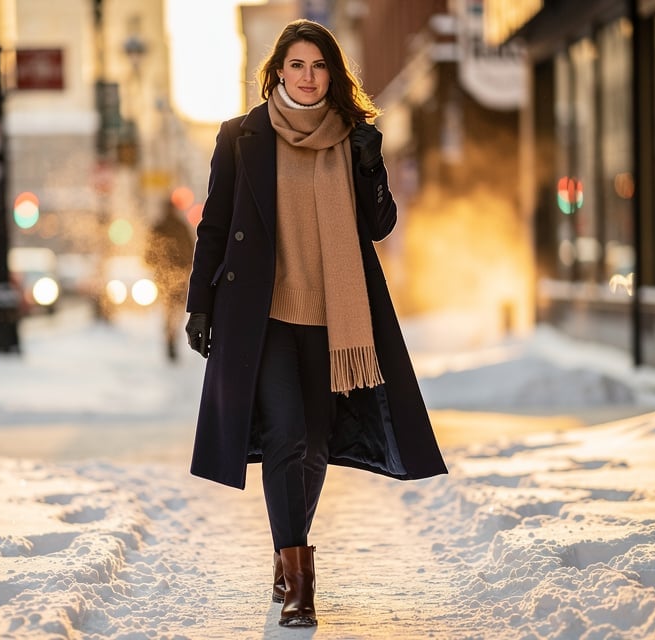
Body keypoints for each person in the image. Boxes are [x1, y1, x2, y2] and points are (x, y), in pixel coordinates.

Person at [183, 19, 447, 628]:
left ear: (333, 73)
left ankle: (285, 546)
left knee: (319, 442)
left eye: (318, 66)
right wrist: (200, 303)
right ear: (277, 72)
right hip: (265, 312)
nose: (307, 77)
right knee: (287, 434)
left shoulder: (354, 139)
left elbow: (379, 227)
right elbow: (215, 225)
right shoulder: (241, 137)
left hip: (336, 315)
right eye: (296, 65)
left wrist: (371, 167)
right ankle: (300, 584)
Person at [145, 201, 195, 360]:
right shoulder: (180, 227)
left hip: (164, 277)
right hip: (178, 277)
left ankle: (169, 335)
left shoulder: (159, 227)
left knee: (168, 309)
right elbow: (191, 250)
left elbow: (148, 255)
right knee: (176, 310)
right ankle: (172, 335)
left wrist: (158, 266)